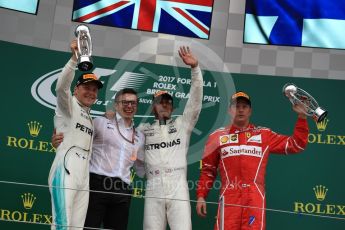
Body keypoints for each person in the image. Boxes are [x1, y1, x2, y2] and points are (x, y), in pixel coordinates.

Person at [196, 91, 309, 230]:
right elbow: (208, 170)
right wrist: (201, 196)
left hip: (254, 199)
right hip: (229, 198)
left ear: (250, 111)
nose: (241, 109)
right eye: (237, 106)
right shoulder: (217, 136)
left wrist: (302, 116)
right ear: (230, 111)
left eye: (245, 106)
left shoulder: (263, 134)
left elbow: (296, 144)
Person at [52, 88, 145, 230]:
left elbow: (141, 170)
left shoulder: (140, 136)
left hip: (123, 189)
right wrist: (58, 140)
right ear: (116, 105)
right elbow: (78, 137)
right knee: (88, 227)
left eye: (133, 103)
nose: (129, 106)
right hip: (97, 184)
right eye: (125, 102)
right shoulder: (100, 121)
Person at [140, 46, 203, 230]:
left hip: (178, 185)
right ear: (153, 107)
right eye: (160, 102)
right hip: (153, 186)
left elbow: (196, 101)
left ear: (173, 108)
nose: (165, 105)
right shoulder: (143, 130)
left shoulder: (182, 124)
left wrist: (195, 69)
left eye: (168, 102)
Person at [48, 39, 103, 230]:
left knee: (76, 228)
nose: (91, 92)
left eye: (94, 90)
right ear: (76, 89)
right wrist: (74, 59)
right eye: (87, 87)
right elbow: (60, 88)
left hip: (83, 175)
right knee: (62, 225)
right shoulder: (68, 105)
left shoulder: (90, 117)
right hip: (66, 170)